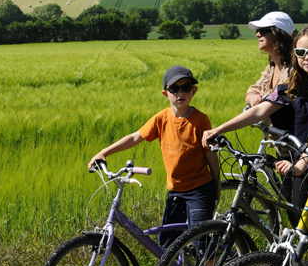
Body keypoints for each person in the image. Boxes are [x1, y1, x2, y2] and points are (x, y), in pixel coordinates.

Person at [203, 25, 308, 266]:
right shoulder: (296, 83)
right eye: (300, 52)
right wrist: (219, 129)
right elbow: (260, 110)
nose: (306, 58)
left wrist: (300, 164)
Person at [88, 65, 221, 246]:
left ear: (194, 91)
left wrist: (217, 187)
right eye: (174, 89)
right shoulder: (161, 118)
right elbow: (135, 137)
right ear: (165, 93)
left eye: (186, 88)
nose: (180, 93)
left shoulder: (200, 120)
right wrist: (104, 152)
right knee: (166, 243)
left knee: (201, 243)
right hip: (175, 191)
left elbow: (211, 155)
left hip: (199, 191)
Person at [245, 11, 295, 106]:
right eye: (257, 31)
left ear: (278, 33)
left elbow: (267, 108)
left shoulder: (292, 69)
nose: (257, 35)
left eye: (262, 31)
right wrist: (253, 98)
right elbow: (251, 91)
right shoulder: (271, 67)